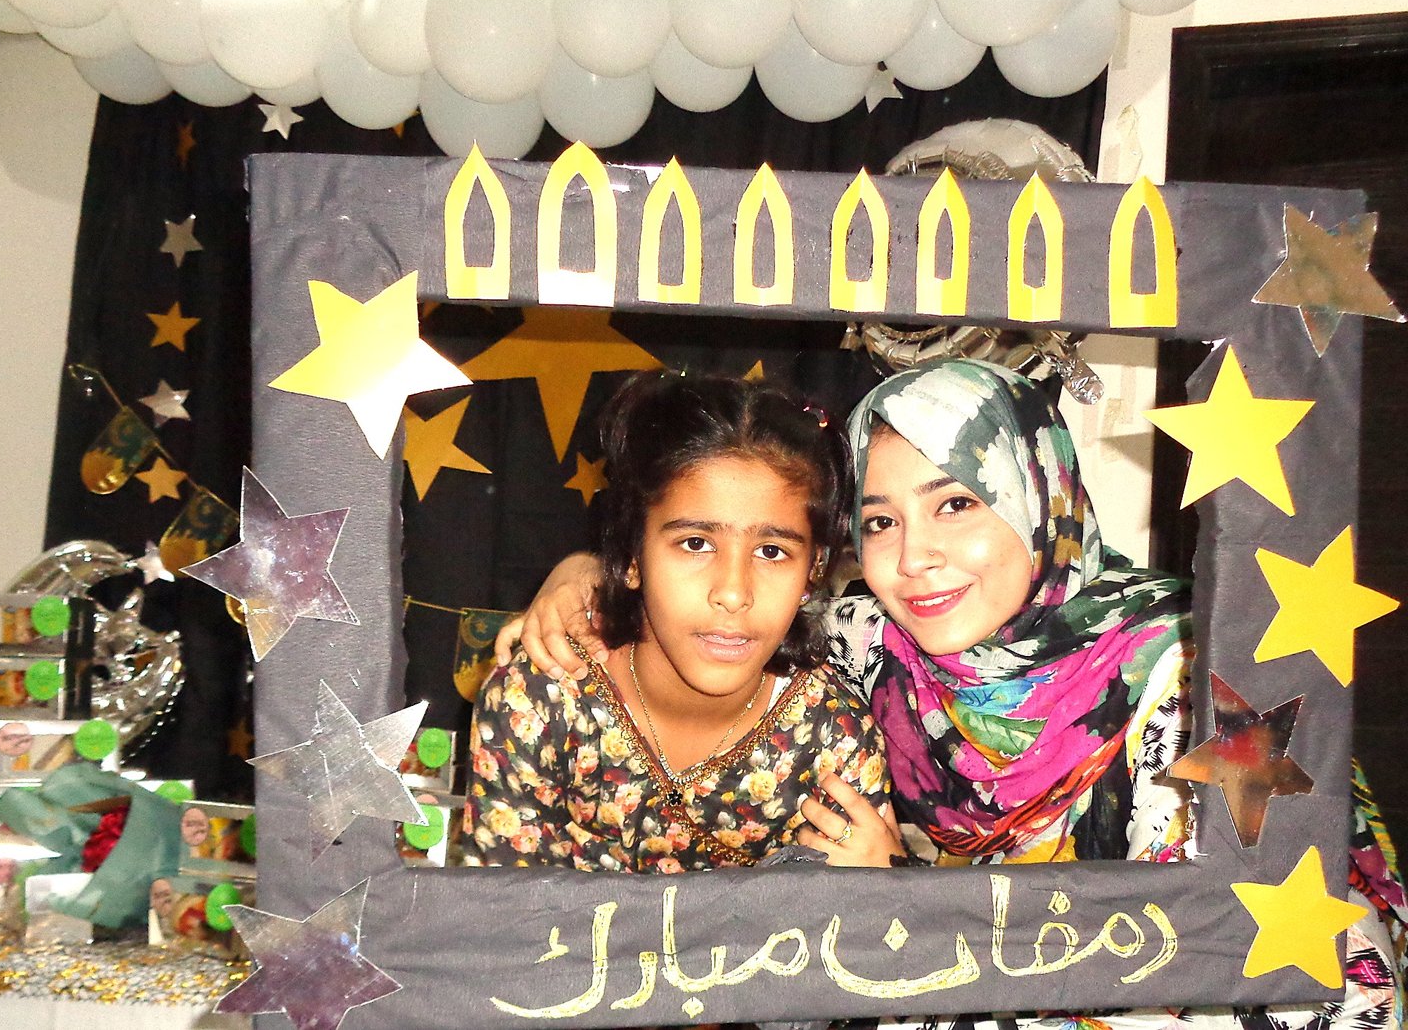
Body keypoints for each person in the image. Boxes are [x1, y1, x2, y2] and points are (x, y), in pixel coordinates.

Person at [500, 359, 1407, 1025]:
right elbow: (718, 578)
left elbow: (1223, 951)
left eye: (957, 503)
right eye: (880, 521)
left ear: (1039, 495)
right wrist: (583, 577)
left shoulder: (1187, 669)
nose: (914, 557)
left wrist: (901, 906)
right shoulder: (878, 645)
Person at [465, 371, 902, 873]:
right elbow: (501, 909)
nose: (733, 593)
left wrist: (881, 884)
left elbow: (861, 914)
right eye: (696, 544)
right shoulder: (542, 700)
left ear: (813, 571)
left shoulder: (833, 741)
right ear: (632, 555)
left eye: (771, 551)